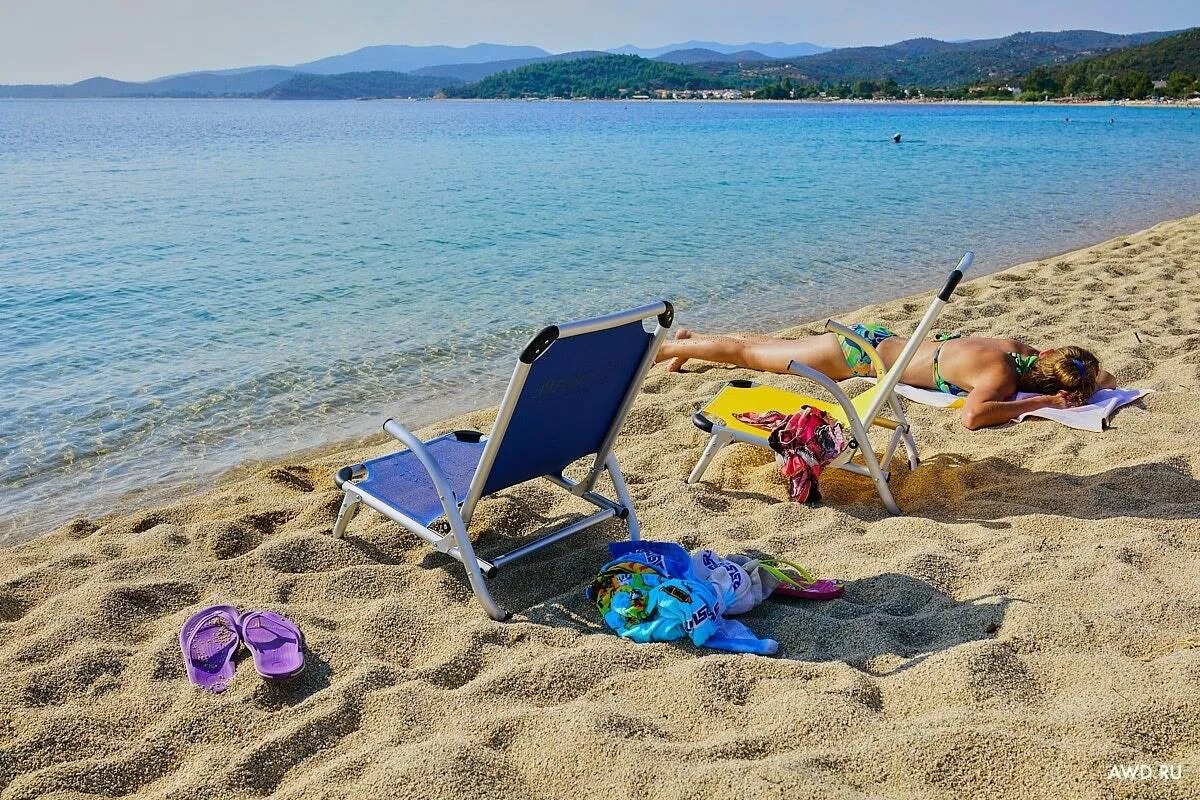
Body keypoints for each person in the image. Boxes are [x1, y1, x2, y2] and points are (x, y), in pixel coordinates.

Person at [656, 323, 1117, 430]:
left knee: (763, 349)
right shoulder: (1002, 379)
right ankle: (672, 347)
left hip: (874, 339)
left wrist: (1094, 381)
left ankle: (692, 339)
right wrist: (1046, 403)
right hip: (854, 356)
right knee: (752, 355)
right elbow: (974, 417)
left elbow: (1101, 376)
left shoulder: (1019, 353)